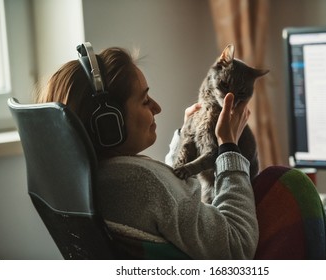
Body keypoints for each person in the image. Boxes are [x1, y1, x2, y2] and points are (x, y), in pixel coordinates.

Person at [36, 46, 258, 259]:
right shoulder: (143, 182)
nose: (157, 108)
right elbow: (237, 246)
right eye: (144, 100)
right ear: (108, 124)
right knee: (283, 179)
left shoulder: (96, 177)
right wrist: (229, 147)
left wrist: (186, 137)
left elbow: (166, 202)